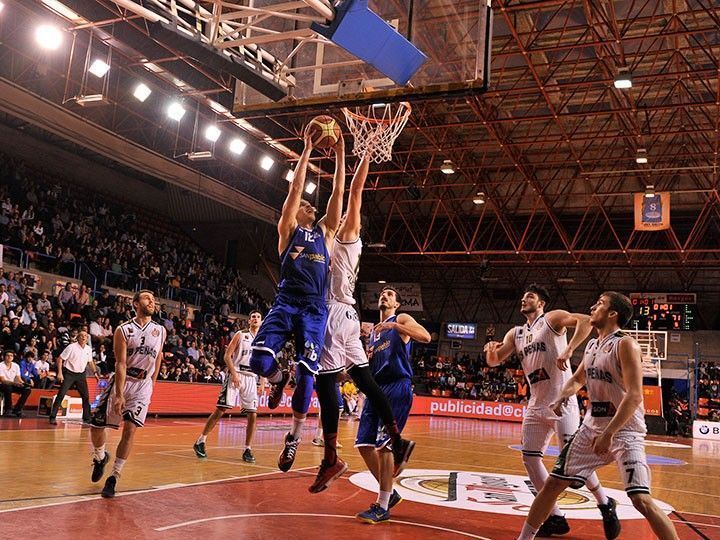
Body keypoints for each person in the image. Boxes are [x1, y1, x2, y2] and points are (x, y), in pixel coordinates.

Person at [517, 292, 679, 540]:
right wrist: (562, 396)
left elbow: (635, 396)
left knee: (641, 499)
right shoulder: (593, 344)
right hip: (591, 429)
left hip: (624, 431)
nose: (592, 306)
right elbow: (578, 378)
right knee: (552, 485)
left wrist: (609, 433)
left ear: (613, 313)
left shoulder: (625, 344)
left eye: (600, 304)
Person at [309, 155, 415, 493]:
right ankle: (397, 440)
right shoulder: (331, 242)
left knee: (324, 383)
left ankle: (330, 458)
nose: (338, 220)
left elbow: (353, 192)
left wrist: (360, 153)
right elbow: (334, 206)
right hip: (349, 317)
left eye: (341, 219)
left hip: (335, 313)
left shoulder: (349, 237)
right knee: (366, 381)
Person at [484, 284, 619, 538]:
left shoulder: (552, 319)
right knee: (530, 459)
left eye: (530, 297)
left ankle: (604, 502)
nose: (524, 300)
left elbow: (584, 322)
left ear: (542, 303)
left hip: (562, 401)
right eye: (523, 297)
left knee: (573, 462)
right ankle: (556, 516)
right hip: (536, 404)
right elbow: (495, 360)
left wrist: (569, 349)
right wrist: (490, 352)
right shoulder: (516, 333)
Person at [249, 127, 345, 473]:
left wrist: (339, 152)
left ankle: (294, 437)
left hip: (315, 310)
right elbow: (294, 189)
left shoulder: (325, 233)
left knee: (308, 375)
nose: (310, 204)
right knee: (258, 361)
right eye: (306, 204)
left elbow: (338, 192)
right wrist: (305, 148)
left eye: (310, 204)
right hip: (286, 302)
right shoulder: (288, 230)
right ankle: (277, 380)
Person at [355, 286, 431, 524]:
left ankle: (382, 505)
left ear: (397, 304)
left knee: (382, 447)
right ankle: (391, 491)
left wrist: (396, 326)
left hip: (397, 386)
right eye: (382, 293)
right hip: (375, 389)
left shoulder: (400, 319)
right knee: (363, 444)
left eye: (389, 294)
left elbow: (426, 337)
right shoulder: (373, 334)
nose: (383, 296)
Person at [89, 290, 166, 498]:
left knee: (130, 429)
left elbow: (158, 356)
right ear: (135, 303)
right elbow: (121, 363)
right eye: (146, 298)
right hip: (123, 382)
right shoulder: (124, 330)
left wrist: (152, 382)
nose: (152, 301)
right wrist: (120, 394)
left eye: (153, 299)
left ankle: (114, 476)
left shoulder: (160, 330)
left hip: (143, 386)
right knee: (96, 426)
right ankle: (99, 457)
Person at [194, 310, 263, 463]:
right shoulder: (240, 334)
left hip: (252, 378)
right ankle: (201, 441)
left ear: (261, 321)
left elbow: (264, 362)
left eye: (258, 317)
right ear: (249, 321)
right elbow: (227, 356)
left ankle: (247, 449)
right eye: (253, 317)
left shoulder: (262, 339)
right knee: (221, 409)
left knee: (253, 414)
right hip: (236, 373)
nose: (255, 319)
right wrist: (234, 373)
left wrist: (262, 381)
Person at [49, 330, 99, 425]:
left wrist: (95, 372)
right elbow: (60, 359)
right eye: (81, 336)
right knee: (61, 394)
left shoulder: (88, 349)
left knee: (86, 396)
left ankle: (87, 418)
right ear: (78, 337)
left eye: (85, 336)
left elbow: (90, 362)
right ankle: (52, 417)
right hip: (69, 373)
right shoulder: (71, 347)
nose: (84, 337)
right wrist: (60, 373)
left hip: (81, 374)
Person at [0, 350, 31, 416]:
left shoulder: (16, 366)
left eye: (11, 356)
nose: (9, 357)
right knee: (7, 387)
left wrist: (23, 383)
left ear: (13, 357)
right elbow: (3, 380)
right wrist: (14, 383)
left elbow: (18, 378)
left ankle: (17, 409)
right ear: (4, 357)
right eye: (7, 355)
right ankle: (8, 409)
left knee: (27, 389)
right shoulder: (0, 365)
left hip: (12, 384)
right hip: (2, 385)